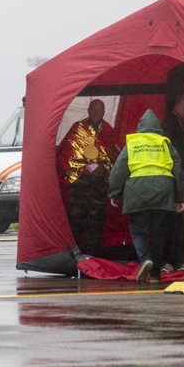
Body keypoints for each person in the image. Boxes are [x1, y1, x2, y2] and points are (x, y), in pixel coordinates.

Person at [108, 110, 184, 282]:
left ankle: (145, 260)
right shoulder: (166, 145)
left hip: (137, 192)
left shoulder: (132, 145)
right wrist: (180, 199)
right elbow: (178, 173)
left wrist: (114, 193)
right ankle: (156, 273)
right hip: (163, 193)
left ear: (140, 127)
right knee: (159, 235)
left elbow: (117, 171)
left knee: (138, 232)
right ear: (158, 128)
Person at [56, 99, 119, 254]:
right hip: (80, 184)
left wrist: (103, 168)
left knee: (96, 220)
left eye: (101, 111)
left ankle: (93, 254)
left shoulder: (109, 131)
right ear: (88, 110)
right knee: (76, 219)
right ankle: (76, 254)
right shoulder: (78, 128)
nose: (97, 114)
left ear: (104, 112)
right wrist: (83, 168)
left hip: (98, 185)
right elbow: (67, 155)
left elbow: (115, 156)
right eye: (94, 110)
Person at [161, 85, 184, 271]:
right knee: (172, 219)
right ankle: (168, 260)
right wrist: (180, 178)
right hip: (173, 179)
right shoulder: (168, 124)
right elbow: (172, 155)